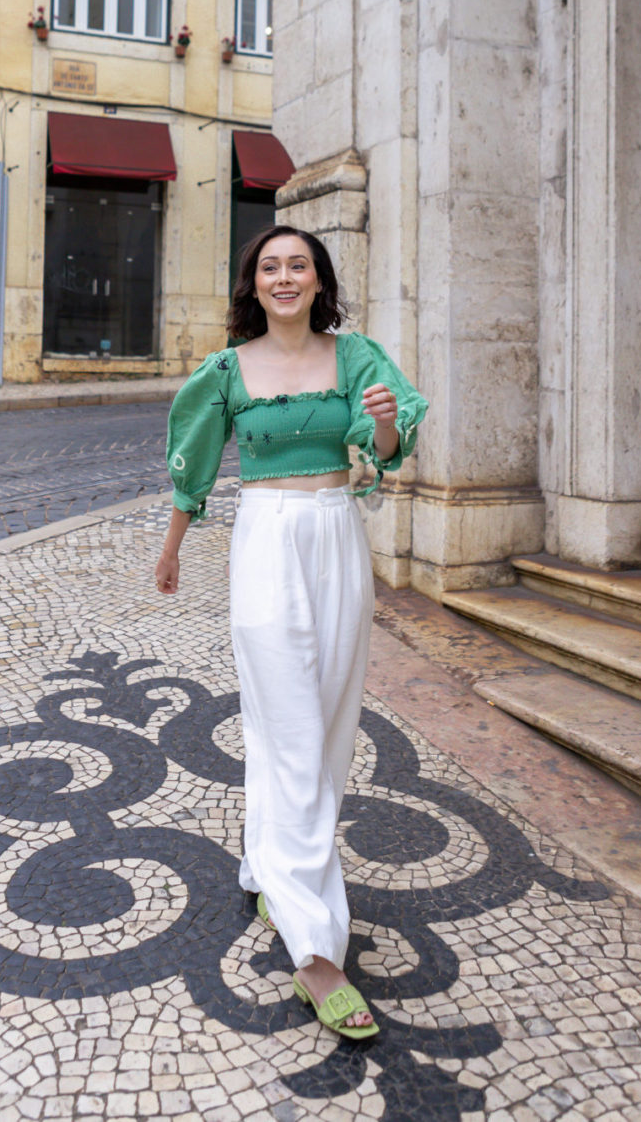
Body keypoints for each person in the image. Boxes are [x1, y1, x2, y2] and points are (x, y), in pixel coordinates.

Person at [155, 224, 428, 1040]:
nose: (284, 277)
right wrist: (171, 547)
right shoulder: (227, 370)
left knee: (328, 728)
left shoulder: (356, 358)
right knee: (293, 730)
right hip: (267, 540)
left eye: (297, 265)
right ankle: (316, 951)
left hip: (338, 536)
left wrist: (379, 424)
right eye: (269, 266)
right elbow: (193, 463)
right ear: (254, 283)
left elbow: (389, 448)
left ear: (318, 280)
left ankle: (268, 867)